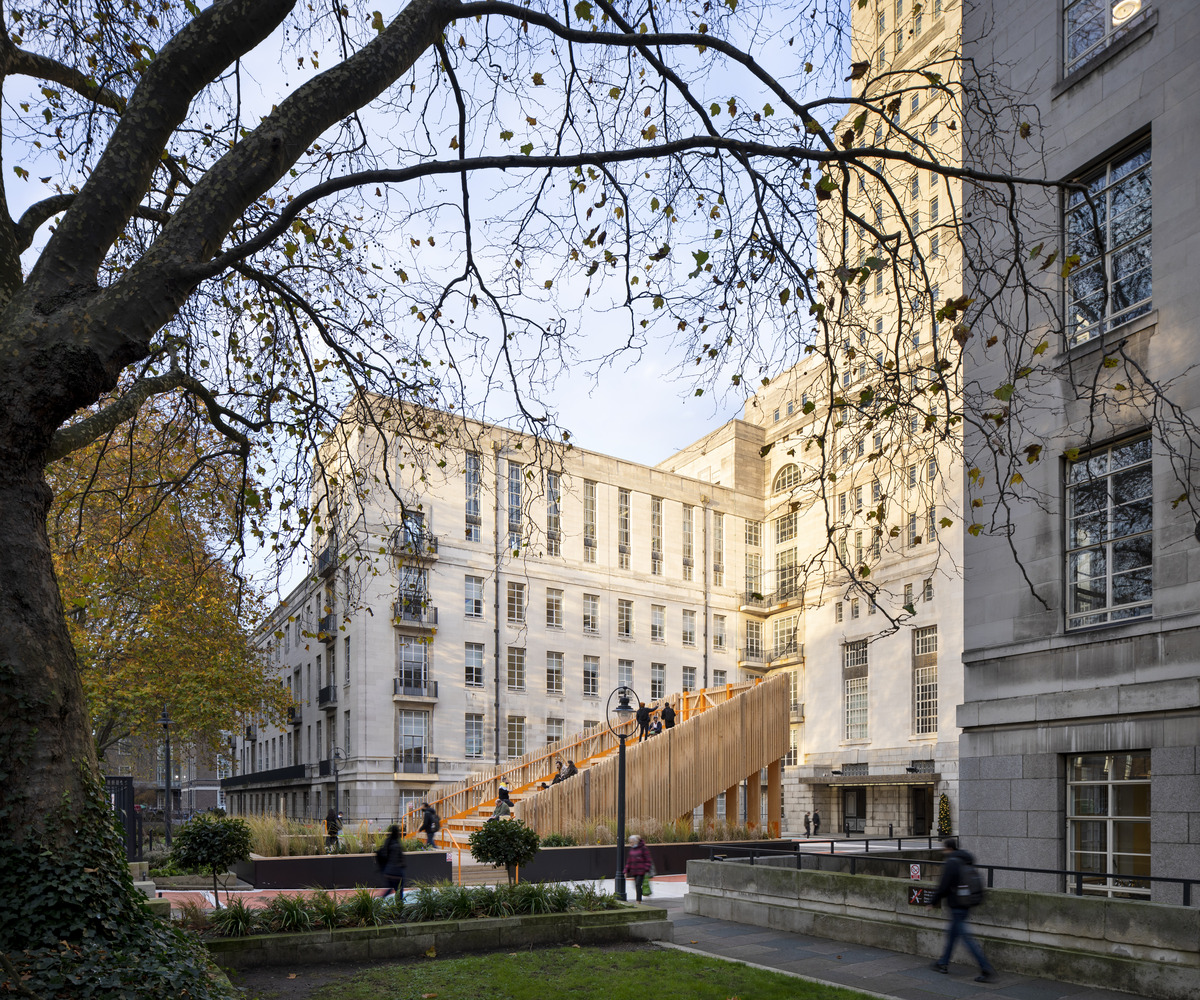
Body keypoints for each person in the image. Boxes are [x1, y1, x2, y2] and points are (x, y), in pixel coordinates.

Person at [928, 837, 994, 982]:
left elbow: (944, 886)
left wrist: (933, 901)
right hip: (966, 902)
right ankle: (943, 963)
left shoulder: (952, 862)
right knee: (952, 935)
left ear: (948, 849)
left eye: (944, 848)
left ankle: (986, 968)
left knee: (966, 938)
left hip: (957, 904)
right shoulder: (966, 859)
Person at [376, 824, 407, 900]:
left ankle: (380, 900)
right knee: (399, 890)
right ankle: (399, 907)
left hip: (388, 871)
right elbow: (398, 858)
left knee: (390, 888)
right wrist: (403, 864)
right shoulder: (397, 844)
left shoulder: (387, 841)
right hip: (397, 872)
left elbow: (384, 854)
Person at [624, 834, 653, 902]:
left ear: (636, 841)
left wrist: (646, 868)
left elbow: (648, 859)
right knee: (637, 885)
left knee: (638, 885)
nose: (630, 844)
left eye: (631, 842)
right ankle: (640, 896)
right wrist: (626, 871)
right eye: (630, 842)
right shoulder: (632, 850)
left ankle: (638, 900)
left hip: (641, 871)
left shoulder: (643, 848)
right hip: (634, 871)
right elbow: (629, 861)